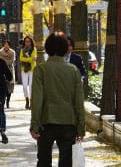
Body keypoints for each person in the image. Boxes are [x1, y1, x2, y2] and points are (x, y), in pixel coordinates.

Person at [30, 32, 85, 167]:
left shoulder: (40, 69)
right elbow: (79, 101)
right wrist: (81, 127)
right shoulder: (73, 70)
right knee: (66, 161)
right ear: (65, 48)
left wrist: (34, 125)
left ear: (47, 48)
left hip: (46, 122)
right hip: (68, 122)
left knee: (43, 160)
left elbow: (36, 99)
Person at [20, 35, 37, 109]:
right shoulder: (22, 49)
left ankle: (31, 101)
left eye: (29, 41)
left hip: (32, 69)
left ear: (31, 42)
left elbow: (34, 59)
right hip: (24, 69)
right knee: (24, 86)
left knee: (31, 86)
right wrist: (30, 59)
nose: (27, 43)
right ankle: (27, 100)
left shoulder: (34, 49)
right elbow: (21, 58)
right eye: (26, 41)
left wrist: (26, 58)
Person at [0, 40, 16, 109]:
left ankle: (8, 101)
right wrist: (4, 62)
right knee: (3, 85)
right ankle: (3, 100)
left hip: (10, 70)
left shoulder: (12, 52)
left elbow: (11, 61)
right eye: (5, 44)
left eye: (7, 44)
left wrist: (4, 61)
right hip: (1, 71)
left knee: (10, 86)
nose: (6, 46)